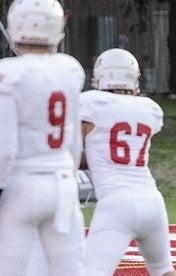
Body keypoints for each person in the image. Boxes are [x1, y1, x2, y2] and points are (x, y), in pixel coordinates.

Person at [0, 0, 86, 275]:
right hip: (62, 184)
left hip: (21, 185)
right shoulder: (70, 69)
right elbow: (74, 142)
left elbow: (5, 148)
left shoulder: (8, 73)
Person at [80, 48, 176, 276]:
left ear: (100, 77)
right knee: (164, 269)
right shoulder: (150, 109)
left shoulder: (90, 103)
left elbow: (74, 154)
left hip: (116, 203)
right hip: (152, 200)